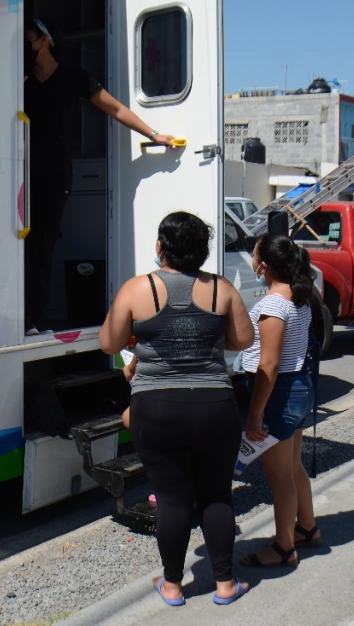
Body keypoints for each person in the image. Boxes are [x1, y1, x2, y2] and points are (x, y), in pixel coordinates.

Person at [100, 212, 255, 606]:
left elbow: (108, 343)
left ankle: (172, 585)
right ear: (202, 250)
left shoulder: (138, 289)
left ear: (160, 247)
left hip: (156, 407)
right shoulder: (222, 290)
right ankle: (224, 583)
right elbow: (242, 340)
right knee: (217, 495)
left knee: (171, 498)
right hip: (214, 405)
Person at [23, 18, 173, 333]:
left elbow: (115, 109)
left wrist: (153, 134)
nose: (25, 44)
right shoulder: (19, 79)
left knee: (42, 242)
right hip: (18, 166)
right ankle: (22, 314)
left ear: (46, 39)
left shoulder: (73, 77)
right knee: (18, 242)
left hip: (54, 170)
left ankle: (34, 317)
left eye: (30, 38)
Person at [239, 232, 323, 568]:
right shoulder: (300, 295)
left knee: (281, 477)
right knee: (293, 467)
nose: (252, 260)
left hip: (280, 393)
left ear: (266, 264)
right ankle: (307, 527)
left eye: (255, 254)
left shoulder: (274, 304)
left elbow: (269, 364)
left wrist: (255, 414)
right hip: (299, 388)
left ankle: (284, 547)